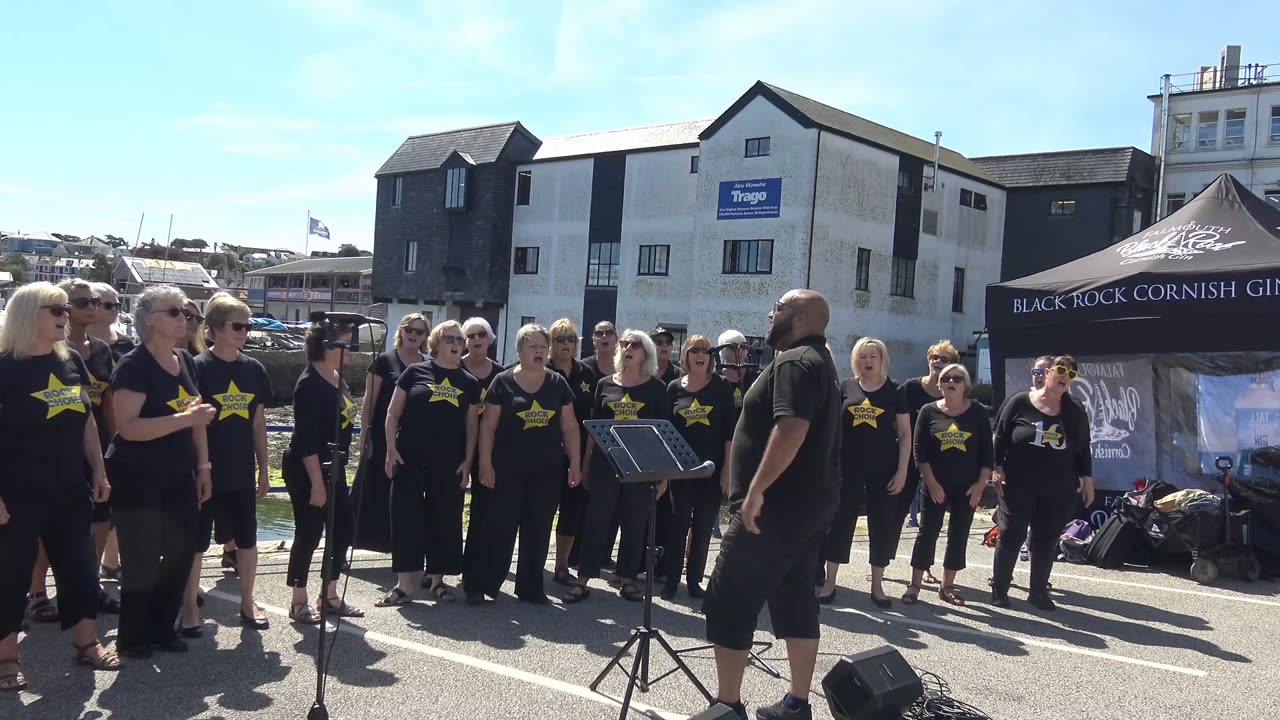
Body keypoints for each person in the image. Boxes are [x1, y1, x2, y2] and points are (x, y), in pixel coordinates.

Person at [702, 289, 840, 720]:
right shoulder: (822, 360)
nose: (770, 314)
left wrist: (757, 490)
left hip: (773, 509)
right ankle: (797, 703)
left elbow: (792, 428)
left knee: (729, 598)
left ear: (798, 318)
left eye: (778, 308)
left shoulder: (796, 361)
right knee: (796, 597)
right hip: (806, 509)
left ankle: (728, 707)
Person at [0, 283, 121, 691]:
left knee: (82, 570)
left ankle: (86, 643)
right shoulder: (4, 366)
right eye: (56, 308)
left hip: (70, 488)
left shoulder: (70, 360)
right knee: (10, 576)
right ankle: (6, 658)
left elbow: (86, 417)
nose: (65, 314)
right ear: (27, 312)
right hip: (16, 492)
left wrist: (99, 470)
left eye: (67, 309)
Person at [107, 285, 216, 658]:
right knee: (140, 559)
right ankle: (133, 636)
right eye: (174, 312)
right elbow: (128, 427)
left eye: (186, 311)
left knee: (180, 551)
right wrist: (184, 419)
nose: (184, 317)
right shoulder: (133, 366)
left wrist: (204, 466)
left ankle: (162, 627)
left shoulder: (184, 360)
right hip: (137, 476)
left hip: (179, 474)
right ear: (150, 320)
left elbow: (196, 418)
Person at [463, 324, 581, 605]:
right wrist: (484, 463)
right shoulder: (502, 382)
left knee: (538, 528)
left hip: (547, 470)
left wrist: (575, 462)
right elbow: (488, 426)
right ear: (520, 351)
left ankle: (530, 587)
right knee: (498, 527)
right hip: (506, 468)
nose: (539, 351)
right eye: (533, 347)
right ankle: (481, 584)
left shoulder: (557, 383)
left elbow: (569, 426)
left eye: (543, 346)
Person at [27, 280, 121, 627]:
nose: (90, 308)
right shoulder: (41, 352)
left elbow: (105, 404)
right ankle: (38, 593)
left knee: (98, 521)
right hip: (51, 454)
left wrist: (110, 454)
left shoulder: (99, 351)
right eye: (79, 302)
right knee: (44, 529)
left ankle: (87, 586)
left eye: (95, 302)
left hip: (92, 448)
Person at [181, 293, 272, 633]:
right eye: (237, 326)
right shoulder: (197, 367)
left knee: (247, 538)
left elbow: (258, 424)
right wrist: (203, 467)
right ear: (215, 328)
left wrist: (263, 469)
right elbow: (194, 421)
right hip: (205, 470)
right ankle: (189, 607)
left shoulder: (254, 369)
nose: (243, 332)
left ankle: (248, 602)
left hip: (240, 470)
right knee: (197, 542)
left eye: (248, 326)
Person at [378, 321, 479, 606]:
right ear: (437, 342)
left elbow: (472, 426)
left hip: (449, 461)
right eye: (450, 338)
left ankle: (438, 581)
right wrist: (390, 449)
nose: (456, 343)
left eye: (460, 339)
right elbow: (392, 413)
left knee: (444, 517)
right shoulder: (414, 372)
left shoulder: (468, 382)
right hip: (409, 456)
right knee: (405, 516)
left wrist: (469, 461)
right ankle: (405, 585)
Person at [564, 330, 668, 604]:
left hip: (640, 466)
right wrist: (586, 462)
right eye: (625, 343)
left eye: (635, 344)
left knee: (634, 524)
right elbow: (593, 429)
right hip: (604, 464)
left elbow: (663, 434)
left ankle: (628, 578)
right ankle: (583, 578)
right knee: (596, 520)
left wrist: (663, 475)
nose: (628, 347)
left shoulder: (657, 389)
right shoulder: (605, 384)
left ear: (646, 352)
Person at [991, 355, 1094, 611]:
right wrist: (996, 467)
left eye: (1070, 374)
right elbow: (1000, 436)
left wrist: (1088, 479)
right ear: (1047, 372)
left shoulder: (1075, 409)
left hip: (1058, 486)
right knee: (1011, 534)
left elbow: (1083, 449)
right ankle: (1000, 590)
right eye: (1060, 370)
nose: (1064, 376)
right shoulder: (1020, 402)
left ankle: (1037, 592)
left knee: (1045, 539)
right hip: (1018, 483)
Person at [818, 338, 910, 608]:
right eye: (863, 357)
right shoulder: (845, 387)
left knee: (881, 527)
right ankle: (830, 582)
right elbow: (831, 429)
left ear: (882, 360)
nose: (868, 361)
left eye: (873, 356)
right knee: (839, 526)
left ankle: (877, 586)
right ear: (855, 360)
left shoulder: (896, 390)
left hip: (884, 470)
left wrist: (903, 471)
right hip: (847, 469)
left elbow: (905, 434)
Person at [284, 321, 364, 624]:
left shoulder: (337, 378)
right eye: (345, 344)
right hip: (308, 466)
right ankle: (298, 599)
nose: (351, 351)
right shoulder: (308, 384)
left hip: (335, 465)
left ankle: (329, 594)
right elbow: (305, 439)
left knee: (343, 527)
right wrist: (317, 483)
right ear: (327, 346)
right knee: (309, 531)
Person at [903, 364, 992, 607]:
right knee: (926, 533)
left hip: (967, 488)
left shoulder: (978, 413)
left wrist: (980, 485)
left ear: (966, 385)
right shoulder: (928, 411)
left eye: (957, 378)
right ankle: (914, 585)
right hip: (935, 484)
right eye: (946, 378)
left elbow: (987, 454)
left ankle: (947, 586)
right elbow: (919, 452)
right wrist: (931, 483)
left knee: (958, 535)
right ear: (940, 385)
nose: (951, 382)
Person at [662, 334, 734, 600]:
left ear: (711, 357)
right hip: (680, 472)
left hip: (711, 470)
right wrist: (665, 474)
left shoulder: (721, 387)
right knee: (678, 524)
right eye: (694, 351)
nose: (700, 355)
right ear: (686, 356)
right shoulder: (673, 388)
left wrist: (727, 471)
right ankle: (671, 582)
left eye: (705, 351)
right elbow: (665, 433)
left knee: (703, 528)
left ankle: (694, 582)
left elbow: (729, 433)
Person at [353, 314, 428, 555]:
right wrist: (365, 434)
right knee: (366, 493)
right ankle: (345, 547)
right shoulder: (384, 362)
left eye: (420, 331)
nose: (414, 334)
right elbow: (369, 402)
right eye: (409, 329)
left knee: (403, 498)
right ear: (401, 331)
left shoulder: (426, 364)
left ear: (426, 336)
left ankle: (397, 546)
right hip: (381, 437)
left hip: (411, 442)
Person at [544, 319, 596, 587]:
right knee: (541, 509)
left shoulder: (587, 374)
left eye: (571, 340)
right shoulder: (540, 369)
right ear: (550, 343)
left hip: (578, 454)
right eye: (560, 339)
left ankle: (561, 565)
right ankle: (533, 563)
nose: (566, 344)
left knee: (572, 510)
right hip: (546, 452)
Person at [459, 318, 505, 577]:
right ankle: (439, 566)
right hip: (458, 446)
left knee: (484, 508)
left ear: (489, 339)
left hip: (489, 449)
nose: (476, 340)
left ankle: (477, 563)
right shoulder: (455, 368)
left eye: (481, 335)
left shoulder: (500, 374)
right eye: (471, 335)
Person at [900, 341, 957, 531]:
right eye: (934, 357)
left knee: (931, 521)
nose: (937, 362)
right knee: (897, 509)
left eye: (944, 359)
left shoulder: (953, 393)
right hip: (909, 456)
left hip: (937, 460)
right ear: (928, 359)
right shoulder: (910, 387)